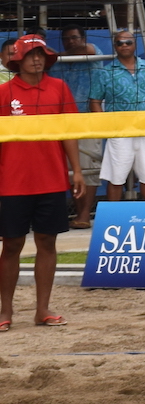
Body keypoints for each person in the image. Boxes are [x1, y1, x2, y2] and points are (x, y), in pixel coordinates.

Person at [0, 35, 82, 330]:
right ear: (17, 59)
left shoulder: (59, 88)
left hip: (51, 179)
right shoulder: (4, 92)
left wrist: (77, 170)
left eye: (42, 54)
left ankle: (42, 309)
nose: (38, 59)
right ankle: (5, 311)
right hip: (12, 182)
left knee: (47, 242)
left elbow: (69, 132)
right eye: (32, 54)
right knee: (12, 245)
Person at [92, 30, 145, 203]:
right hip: (120, 133)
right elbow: (95, 101)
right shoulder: (106, 72)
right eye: (120, 43)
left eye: (128, 42)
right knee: (116, 179)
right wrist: (107, 126)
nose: (124, 46)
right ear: (115, 46)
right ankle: (112, 219)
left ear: (135, 44)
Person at [55, 27, 102, 228]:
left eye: (74, 37)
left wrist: (59, 55)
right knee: (70, 171)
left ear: (83, 38)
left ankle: (84, 214)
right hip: (64, 122)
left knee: (90, 169)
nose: (70, 41)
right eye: (66, 39)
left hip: (88, 119)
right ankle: (79, 214)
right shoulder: (56, 65)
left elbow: (88, 50)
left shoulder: (95, 53)